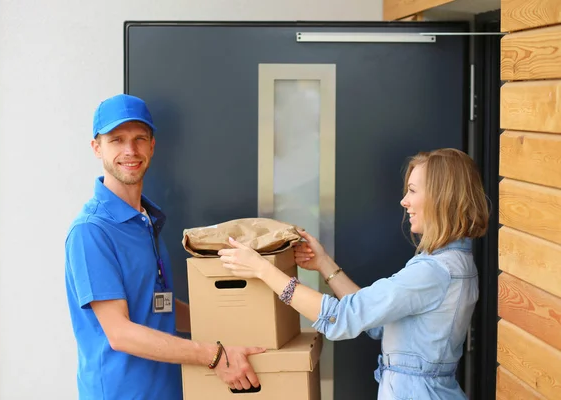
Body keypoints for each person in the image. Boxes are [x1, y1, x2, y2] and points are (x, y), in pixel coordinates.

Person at [219, 148, 489, 399]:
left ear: (442, 198)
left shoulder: (433, 272)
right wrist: (324, 263)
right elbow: (373, 320)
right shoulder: (449, 263)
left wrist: (264, 270)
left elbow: (341, 318)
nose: (404, 201)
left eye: (412, 190)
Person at [65, 94, 264, 399]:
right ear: (97, 148)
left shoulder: (146, 221)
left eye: (139, 139)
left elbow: (161, 307)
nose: (130, 150)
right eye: (117, 140)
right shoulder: (92, 231)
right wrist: (213, 355)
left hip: (168, 389)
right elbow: (120, 334)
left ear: (152, 146)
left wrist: (236, 323)